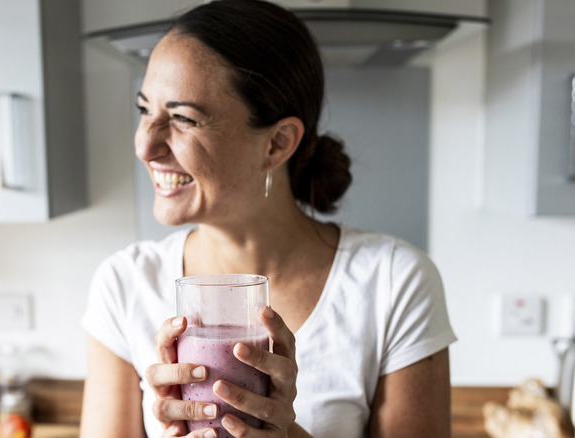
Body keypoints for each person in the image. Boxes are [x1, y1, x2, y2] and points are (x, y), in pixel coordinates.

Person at [80, 0, 457, 437]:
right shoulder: (125, 284)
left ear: (277, 143)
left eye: (183, 118)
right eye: (145, 110)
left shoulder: (393, 282)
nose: (145, 146)